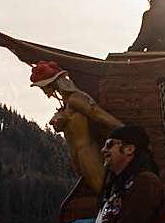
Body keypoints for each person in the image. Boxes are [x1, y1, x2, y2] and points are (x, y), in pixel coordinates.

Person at [31, 61, 123, 194]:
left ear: (53, 84)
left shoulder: (75, 100)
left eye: (44, 87)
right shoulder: (66, 105)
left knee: (104, 191)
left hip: (87, 152)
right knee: (100, 192)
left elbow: (99, 115)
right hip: (78, 155)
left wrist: (124, 129)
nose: (44, 91)